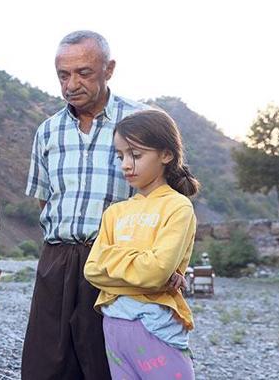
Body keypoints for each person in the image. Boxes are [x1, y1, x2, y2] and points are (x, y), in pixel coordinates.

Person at [22, 30, 148, 379]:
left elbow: (165, 201)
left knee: (105, 365)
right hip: (57, 260)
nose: (71, 84)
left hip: (115, 261)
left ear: (109, 69)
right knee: (46, 365)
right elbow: (44, 201)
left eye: (84, 73)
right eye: (63, 75)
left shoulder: (140, 123)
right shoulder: (47, 131)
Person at [84, 109, 200, 379]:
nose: (126, 164)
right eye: (120, 155)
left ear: (166, 155)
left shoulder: (177, 207)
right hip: (113, 325)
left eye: (135, 155)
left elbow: (156, 271)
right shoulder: (114, 213)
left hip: (157, 327)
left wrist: (113, 260)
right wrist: (145, 269)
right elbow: (91, 271)